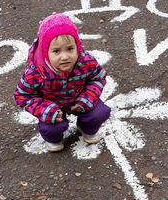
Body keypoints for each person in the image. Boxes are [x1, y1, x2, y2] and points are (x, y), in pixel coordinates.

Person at [14, 13, 111, 152]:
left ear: (78, 45)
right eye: (56, 51)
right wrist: (45, 109)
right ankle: (54, 138)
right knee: (51, 128)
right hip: (52, 106)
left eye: (70, 49)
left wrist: (87, 98)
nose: (65, 57)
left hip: (79, 99)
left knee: (100, 112)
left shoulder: (86, 61)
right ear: (45, 51)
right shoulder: (35, 72)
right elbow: (22, 96)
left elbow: (98, 78)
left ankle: (85, 127)